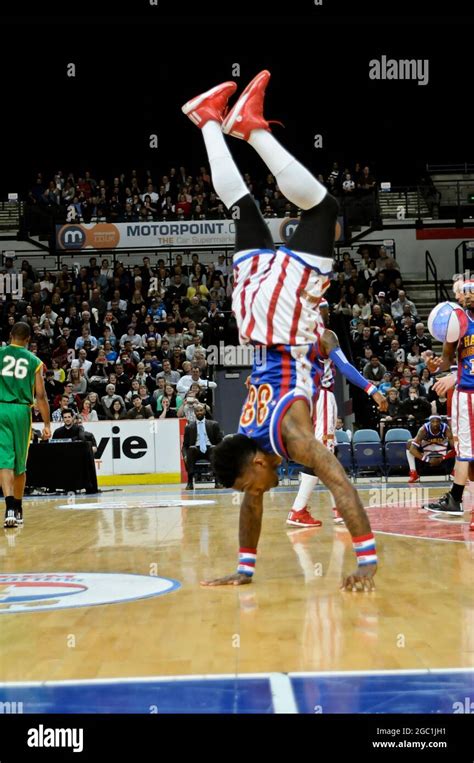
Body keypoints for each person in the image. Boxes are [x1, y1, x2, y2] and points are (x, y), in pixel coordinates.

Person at [182, 70, 378, 590]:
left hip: (281, 320)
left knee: (326, 209)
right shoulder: (251, 446)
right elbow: (250, 503)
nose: (261, 489)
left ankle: (251, 130)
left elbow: (340, 484)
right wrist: (243, 569)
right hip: (252, 314)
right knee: (243, 209)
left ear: (252, 463)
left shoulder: (287, 438)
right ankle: (206, 119)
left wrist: (366, 561)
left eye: (254, 482)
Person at [289, 299, 387, 525]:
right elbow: (344, 367)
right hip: (321, 397)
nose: (328, 313)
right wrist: (371, 389)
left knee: (328, 453)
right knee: (322, 454)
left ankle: (338, 507)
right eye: (324, 309)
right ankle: (298, 509)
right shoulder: (326, 335)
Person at [424, 280, 474, 520]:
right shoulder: (458, 324)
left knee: (467, 450)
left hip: (469, 392)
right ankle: (457, 498)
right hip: (464, 394)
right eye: (463, 295)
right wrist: (436, 366)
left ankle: (455, 498)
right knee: (465, 450)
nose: (465, 297)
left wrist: (455, 376)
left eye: (469, 293)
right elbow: (445, 359)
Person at [0, 322, 51, 528]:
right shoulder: (34, 361)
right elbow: (41, 395)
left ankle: (10, 507)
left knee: (4, 461)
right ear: (28, 339)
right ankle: (18, 507)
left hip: (1, 408)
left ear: (10, 335)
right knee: (20, 463)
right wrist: (47, 423)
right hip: (21, 411)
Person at [182, 405, 223, 489]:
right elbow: (185, 446)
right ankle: (190, 482)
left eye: (201, 410)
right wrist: (185, 455)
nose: (199, 412)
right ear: (194, 413)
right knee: (191, 449)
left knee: (213, 449)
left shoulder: (213, 424)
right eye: (197, 411)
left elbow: (220, 442)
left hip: (209, 449)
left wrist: (219, 452)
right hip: (196, 450)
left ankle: (217, 481)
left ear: (204, 411)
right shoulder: (189, 427)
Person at [406, 415, 455, 483]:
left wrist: (442, 458)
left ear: (440, 422)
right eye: (433, 422)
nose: (435, 424)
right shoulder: (423, 429)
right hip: (427, 447)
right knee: (409, 444)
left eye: (437, 422)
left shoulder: (446, 428)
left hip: (442, 446)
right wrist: (428, 460)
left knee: (459, 445)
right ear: (429, 422)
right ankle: (413, 473)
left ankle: (455, 472)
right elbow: (412, 450)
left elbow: (455, 448)